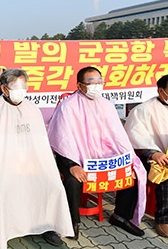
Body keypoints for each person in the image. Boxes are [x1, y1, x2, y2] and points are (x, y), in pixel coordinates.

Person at [0, 69, 74, 249]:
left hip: (30, 164)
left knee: (52, 185)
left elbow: (40, 144)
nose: (22, 91)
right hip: (1, 168)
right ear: (4, 88)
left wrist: (43, 167)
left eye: (24, 87)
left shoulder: (32, 109)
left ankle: (47, 225)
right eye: (16, 87)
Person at [47, 66, 147, 239]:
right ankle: (71, 222)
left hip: (102, 156)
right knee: (72, 179)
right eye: (91, 82)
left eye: (99, 81)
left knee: (134, 169)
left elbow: (117, 136)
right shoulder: (68, 106)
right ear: (79, 86)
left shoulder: (106, 105)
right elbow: (61, 140)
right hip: (74, 157)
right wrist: (72, 165)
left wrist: (128, 158)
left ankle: (121, 216)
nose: (97, 86)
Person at [124, 73, 168, 238]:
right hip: (152, 155)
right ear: (161, 91)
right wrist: (154, 153)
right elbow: (135, 136)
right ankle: (163, 219)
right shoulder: (144, 110)